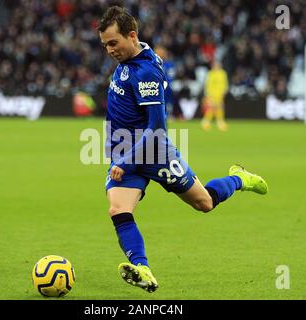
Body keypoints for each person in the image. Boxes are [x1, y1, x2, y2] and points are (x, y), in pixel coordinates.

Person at [98, 6, 268, 293]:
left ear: (131, 36)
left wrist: (125, 161)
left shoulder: (147, 73)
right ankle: (143, 268)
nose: (109, 50)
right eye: (105, 45)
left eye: (113, 43)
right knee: (118, 209)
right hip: (125, 151)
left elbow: (157, 128)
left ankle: (239, 178)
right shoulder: (131, 57)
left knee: (204, 203)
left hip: (153, 152)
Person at [201, 60, 229, 131]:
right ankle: (206, 122)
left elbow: (225, 83)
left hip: (220, 94)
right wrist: (207, 94)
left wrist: (224, 91)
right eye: (215, 65)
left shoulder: (223, 73)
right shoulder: (210, 74)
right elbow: (207, 84)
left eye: (217, 65)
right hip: (211, 94)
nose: (216, 66)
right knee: (211, 108)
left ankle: (220, 122)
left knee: (220, 108)